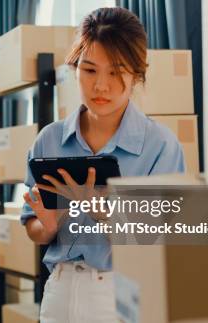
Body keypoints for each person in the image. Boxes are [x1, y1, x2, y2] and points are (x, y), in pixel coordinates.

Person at [21, 7, 185, 323]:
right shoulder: (50, 140)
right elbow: (35, 228)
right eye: (90, 70)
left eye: (116, 71)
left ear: (136, 74)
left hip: (122, 295)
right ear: (75, 68)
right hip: (59, 292)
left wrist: (106, 214)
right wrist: (48, 227)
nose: (100, 86)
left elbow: (161, 243)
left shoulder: (160, 146)